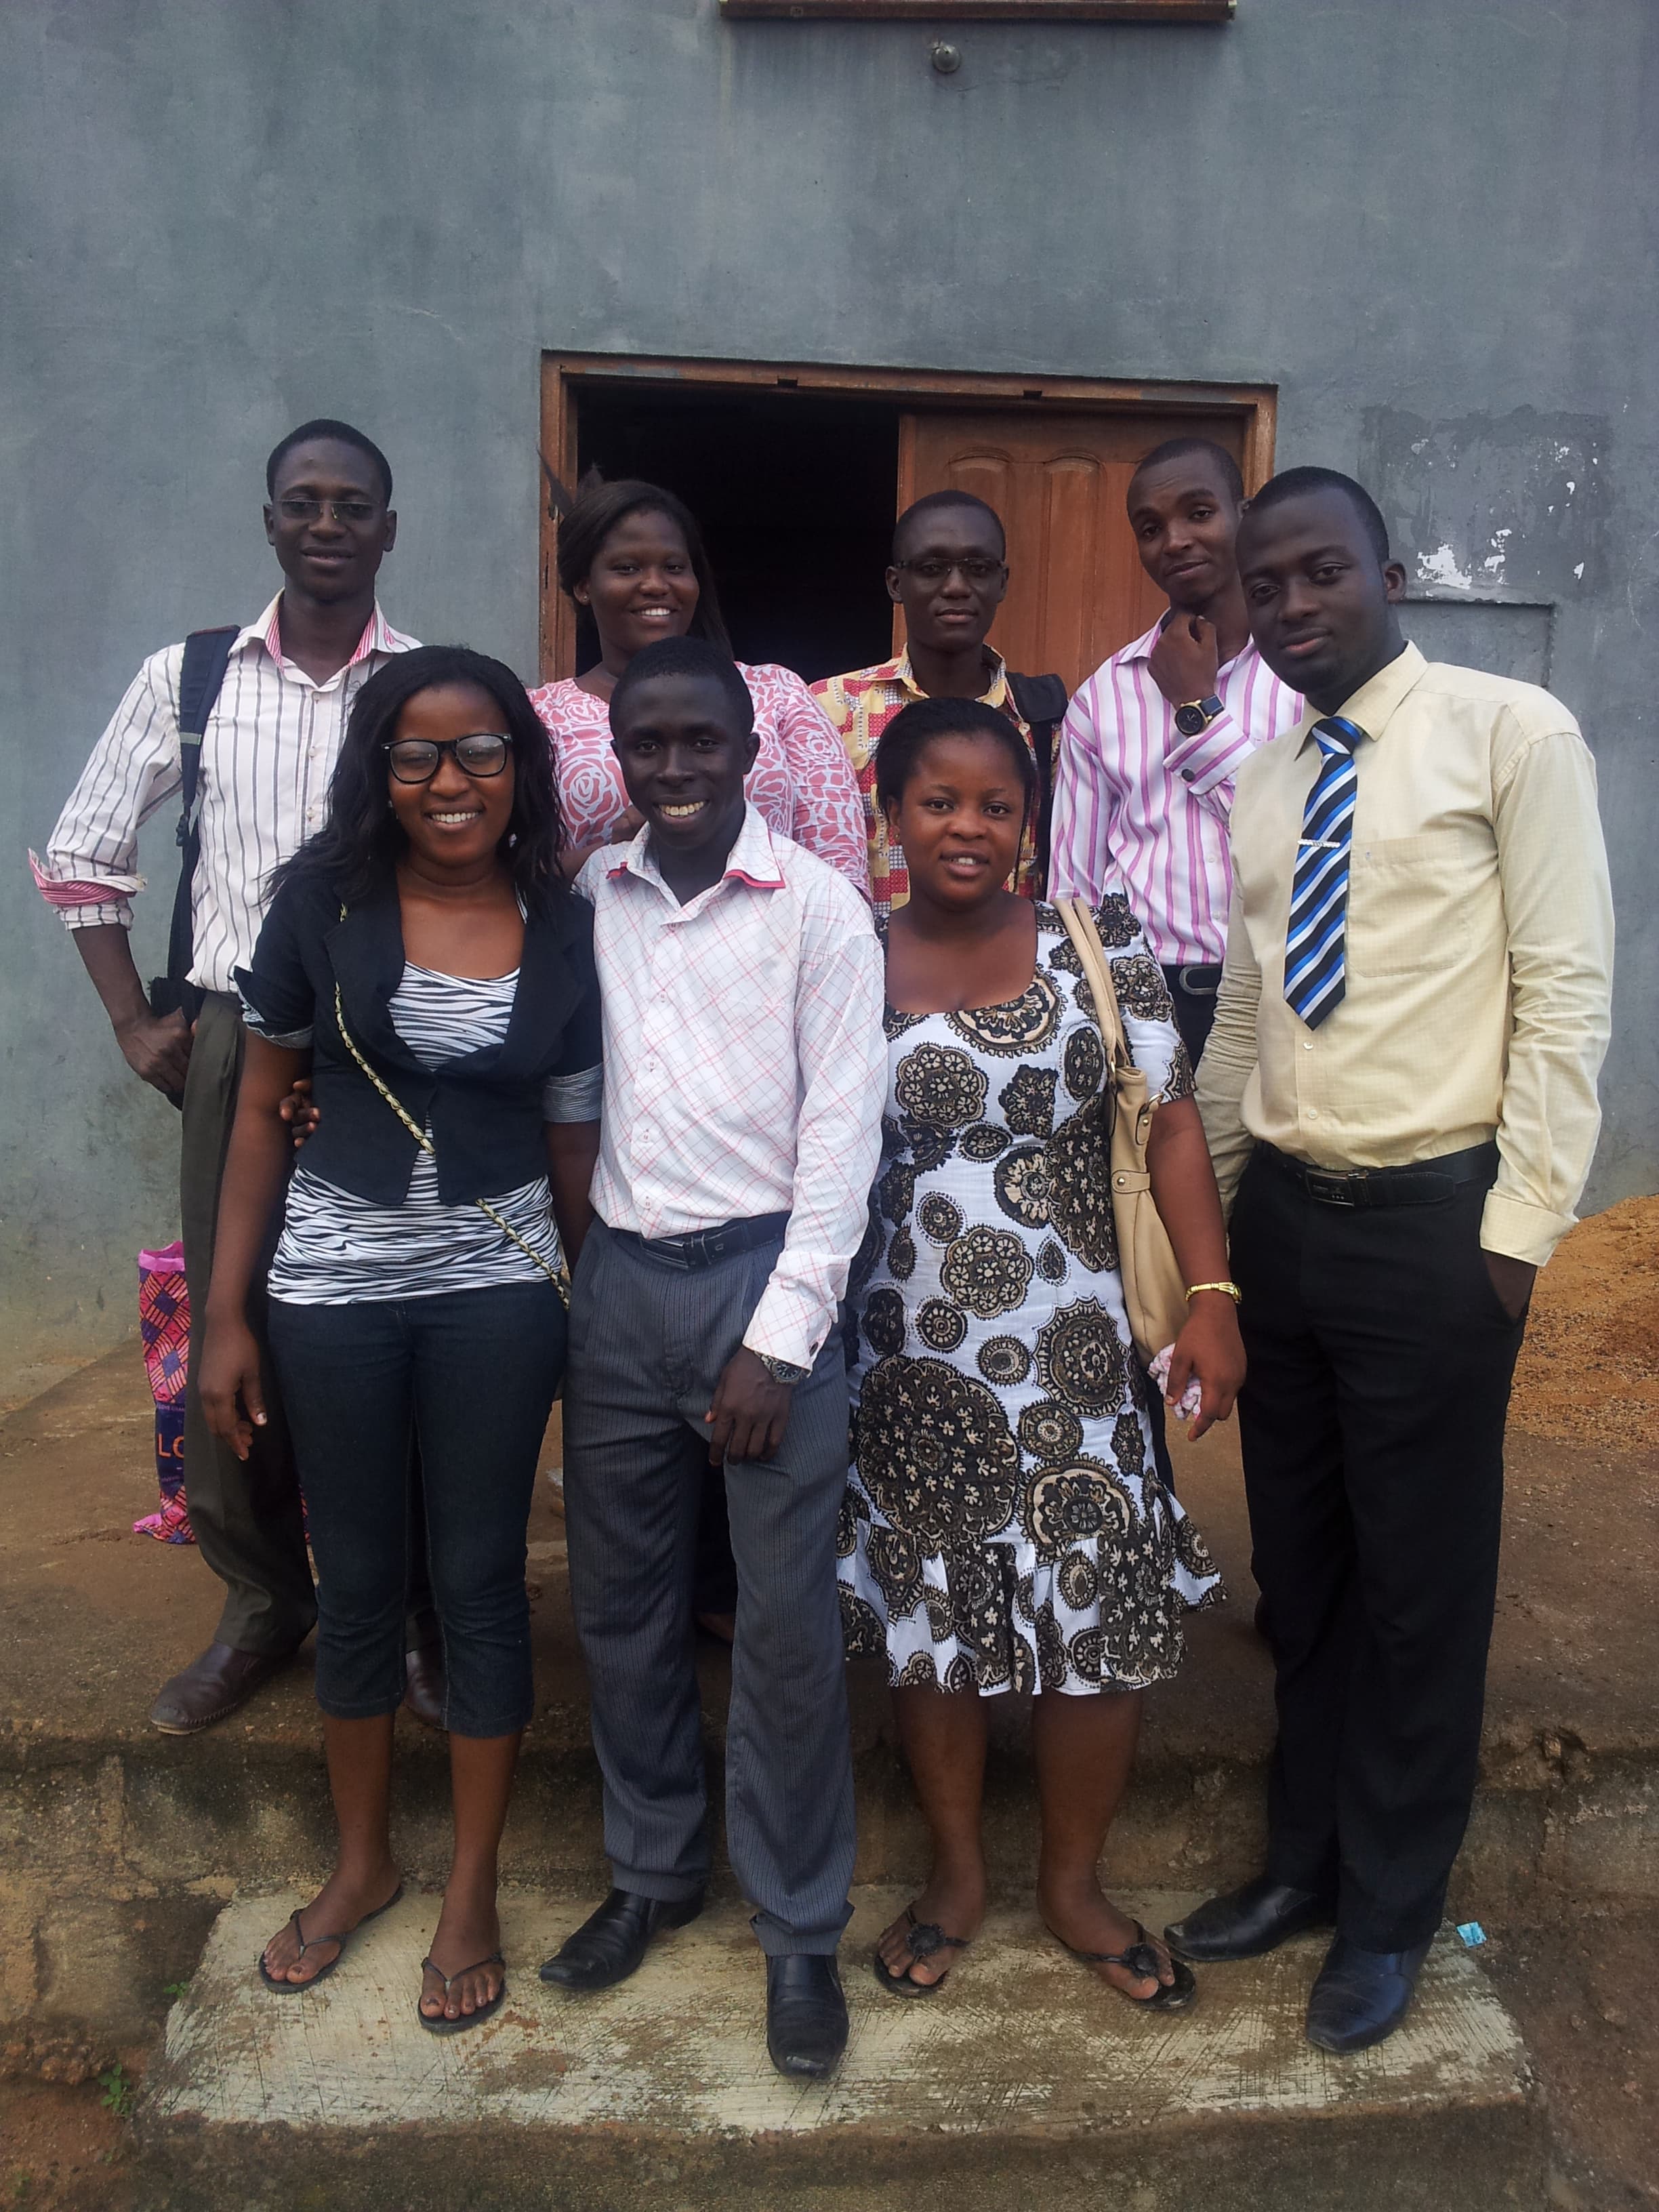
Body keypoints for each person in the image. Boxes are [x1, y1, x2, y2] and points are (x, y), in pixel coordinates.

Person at [1179, 468, 1614, 2053]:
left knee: (1419, 1594)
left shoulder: (1511, 736)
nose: (1291, 604)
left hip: (1438, 1230)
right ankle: (1301, 1862)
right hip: (1285, 1229)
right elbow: (1245, 1018)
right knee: (1304, 1578)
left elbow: (1565, 992)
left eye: (1321, 571)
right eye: (1265, 585)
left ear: (1389, 572)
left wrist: (1515, 1239)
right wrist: (1208, 1238)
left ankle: (1388, 1911)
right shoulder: (1264, 778)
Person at [198, 647, 602, 2032]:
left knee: (480, 1580)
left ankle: (470, 1884)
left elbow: (573, 1135)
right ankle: (362, 1863)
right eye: (416, 755)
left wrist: (594, 1308)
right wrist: (225, 1317)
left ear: (519, 767)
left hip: (502, 1289)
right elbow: (262, 1115)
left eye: (481, 750)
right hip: (332, 1289)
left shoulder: (564, 920)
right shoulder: (318, 905)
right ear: (379, 770)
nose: (450, 781)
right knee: (360, 1579)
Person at [30, 420, 448, 1734]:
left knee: (404, 1314)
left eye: (353, 505)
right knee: (237, 1310)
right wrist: (131, 1021)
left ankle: (415, 1610)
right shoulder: (193, 678)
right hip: (231, 1036)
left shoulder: (425, 684)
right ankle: (266, 1598)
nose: (327, 525)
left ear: (389, 529)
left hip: (391, 1046)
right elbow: (81, 851)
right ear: (269, 520)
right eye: (302, 502)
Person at [837, 694, 1244, 2009]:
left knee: (1100, 1612)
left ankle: (1073, 1886)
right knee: (933, 1622)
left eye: (996, 805)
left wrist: (1211, 1294)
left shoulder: (1096, 941)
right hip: (903, 1362)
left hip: (1078, 1358)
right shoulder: (843, 951)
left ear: (1029, 819)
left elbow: (1169, 1123)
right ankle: (957, 1877)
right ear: (890, 815)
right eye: (937, 801)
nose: (967, 826)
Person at [541, 636, 885, 2083]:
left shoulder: (819, 909)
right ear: (618, 754)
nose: (674, 767)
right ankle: (652, 1870)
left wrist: (780, 1341)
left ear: (751, 751)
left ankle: (799, 1927)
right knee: (620, 1606)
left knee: (787, 1626)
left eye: (701, 741)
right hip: (622, 1285)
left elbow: (842, 1137)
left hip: (765, 1283)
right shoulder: (588, 898)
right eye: (649, 743)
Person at [1049, 438, 1303, 1065]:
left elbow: (1297, 842)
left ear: (1244, 514)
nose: (1176, 540)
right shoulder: (1102, 698)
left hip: (1287, 991)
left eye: (1199, 513)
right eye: (1151, 528)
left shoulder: (1303, 677)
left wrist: (1197, 709)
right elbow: (1073, 894)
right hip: (1144, 1004)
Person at [529, 475, 867, 889]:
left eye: (674, 568)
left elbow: (839, 862)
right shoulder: (539, 717)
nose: (656, 585)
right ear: (584, 586)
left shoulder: (777, 693)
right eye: (627, 568)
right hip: (600, 928)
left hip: (777, 928)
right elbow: (501, 878)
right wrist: (614, 855)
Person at [812, 491, 1069, 918]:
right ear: (896, 583)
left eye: (978, 568)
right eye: (932, 568)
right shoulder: (828, 711)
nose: (956, 587)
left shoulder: (1046, 723)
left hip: (1008, 959)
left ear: (1002, 582)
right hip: (861, 958)